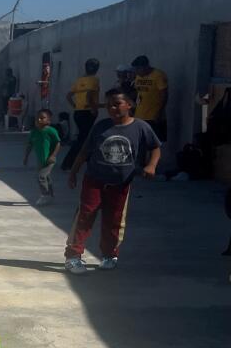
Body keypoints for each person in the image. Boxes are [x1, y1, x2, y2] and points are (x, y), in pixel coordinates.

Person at [64, 88, 161, 274]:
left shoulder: (141, 127)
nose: (112, 108)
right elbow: (85, 151)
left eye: (117, 104)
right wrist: (73, 172)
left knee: (114, 220)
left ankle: (109, 255)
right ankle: (73, 256)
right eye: (108, 105)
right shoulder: (101, 126)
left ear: (130, 104)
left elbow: (155, 147)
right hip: (94, 179)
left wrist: (152, 165)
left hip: (121, 183)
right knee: (85, 215)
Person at [22, 109, 61, 206]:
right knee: (46, 177)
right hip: (40, 160)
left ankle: (45, 195)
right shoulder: (34, 132)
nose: (39, 120)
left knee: (41, 177)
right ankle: (51, 195)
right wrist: (26, 157)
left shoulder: (51, 131)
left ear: (49, 120)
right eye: (37, 118)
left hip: (49, 160)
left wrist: (53, 156)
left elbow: (58, 143)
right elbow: (29, 145)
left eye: (42, 118)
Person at [131, 55, 168, 143]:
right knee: (140, 143)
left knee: (154, 144)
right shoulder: (138, 77)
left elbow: (165, 95)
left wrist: (159, 113)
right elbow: (137, 93)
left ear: (145, 67)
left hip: (153, 116)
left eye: (138, 69)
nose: (136, 72)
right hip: (139, 116)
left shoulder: (159, 75)